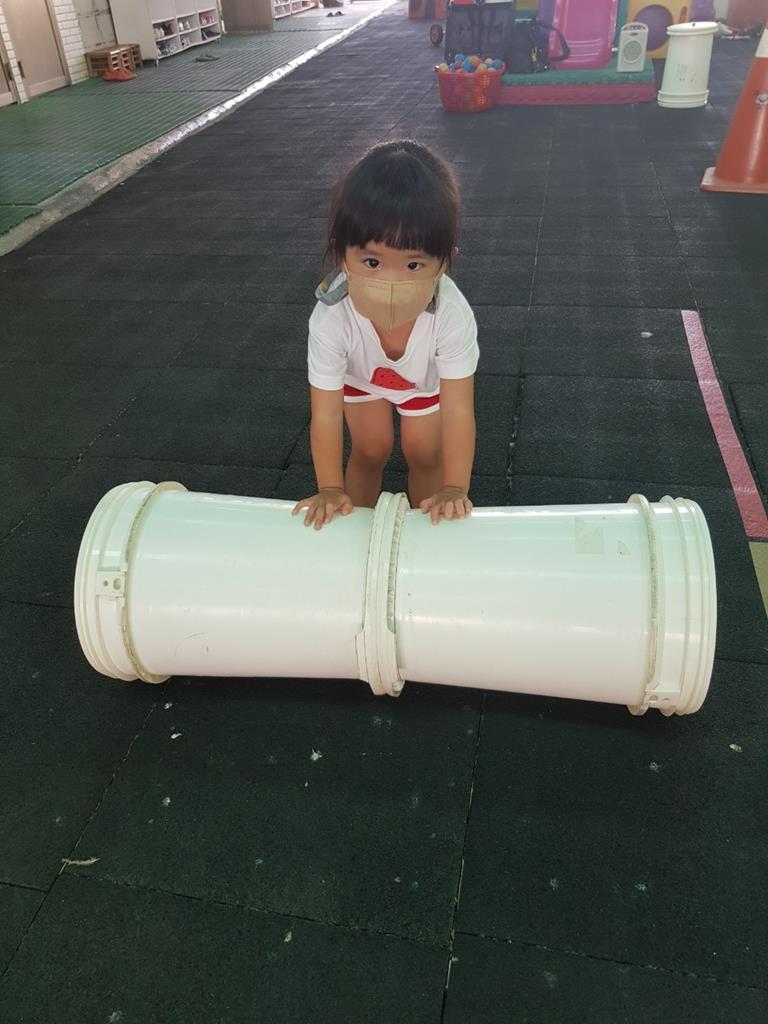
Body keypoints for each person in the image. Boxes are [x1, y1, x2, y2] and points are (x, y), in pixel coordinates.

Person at [292, 140, 479, 531]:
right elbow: (325, 413)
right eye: (372, 262)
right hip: (361, 379)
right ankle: (351, 531)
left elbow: (459, 410)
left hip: (422, 382)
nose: (391, 283)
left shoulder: (451, 315)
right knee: (369, 449)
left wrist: (455, 487)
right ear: (341, 255)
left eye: (413, 265)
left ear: (445, 263)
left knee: (425, 454)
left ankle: (425, 534)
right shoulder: (331, 317)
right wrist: (329, 488)